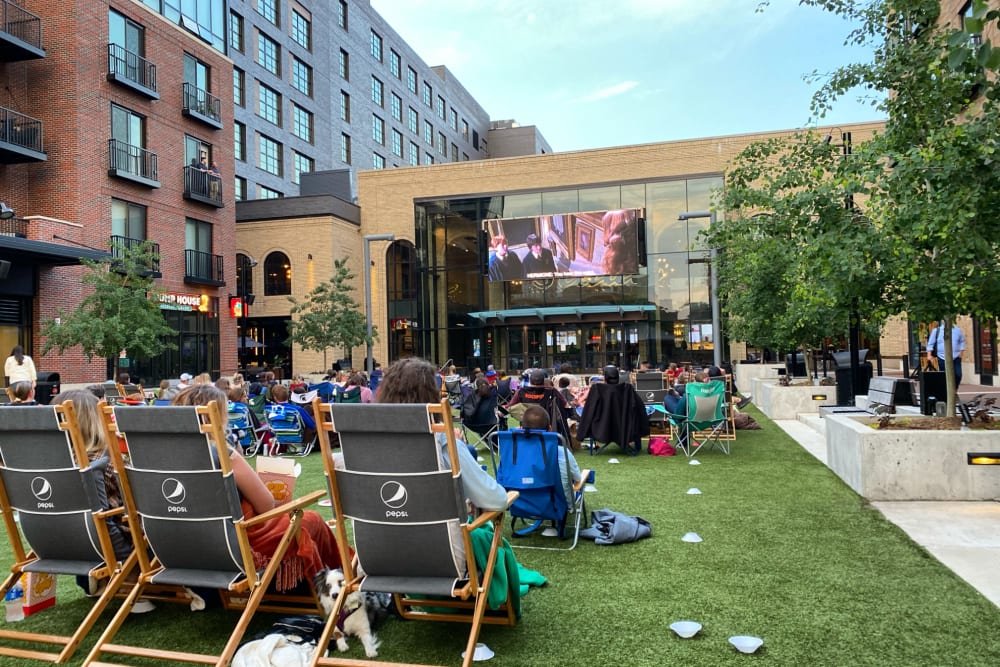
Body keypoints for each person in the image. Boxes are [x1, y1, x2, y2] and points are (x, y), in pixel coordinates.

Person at [171, 385, 344, 591]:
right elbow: (266, 506)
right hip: (237, 545)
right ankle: (335, 581)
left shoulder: (160, 456)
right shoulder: (221, 453)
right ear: (215, 418)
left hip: (181, 542)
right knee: (310, 520)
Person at [377, 358, 508, 512]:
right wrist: (456, 445)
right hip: (435, 534)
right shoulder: (443, 442)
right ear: (431, 396)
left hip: (380, 533)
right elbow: (496, 500)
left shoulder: (368, 444)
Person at [51, 390, 138, 599]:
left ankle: (95, 577)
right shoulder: (108, 462)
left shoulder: (46, 465)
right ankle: (133, 582)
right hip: (111, 544)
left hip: (58, 542)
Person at [520, 404, 581, 505]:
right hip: (557, 504)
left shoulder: (513, 453)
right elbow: (578, 478)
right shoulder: (561, 452)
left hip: (521, 502)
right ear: (549, 429)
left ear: (522, 428)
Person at [930, 320, 967, 386]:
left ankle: (953, 391)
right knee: (944, 376)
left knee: (958, 375)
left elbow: (962, 341)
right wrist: (929, 355)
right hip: (942, 357)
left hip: (956, 357)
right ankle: (947, 392)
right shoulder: (936, 331)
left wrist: (961, 352)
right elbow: (931, 343)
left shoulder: (957, 330)